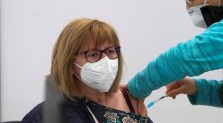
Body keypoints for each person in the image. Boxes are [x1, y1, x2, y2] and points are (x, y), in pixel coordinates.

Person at [22, 18, 153, 123]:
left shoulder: (131, 100)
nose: (106, 61)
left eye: (110, 51)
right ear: (69, 63)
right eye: (93, 54)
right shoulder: (46, 116)